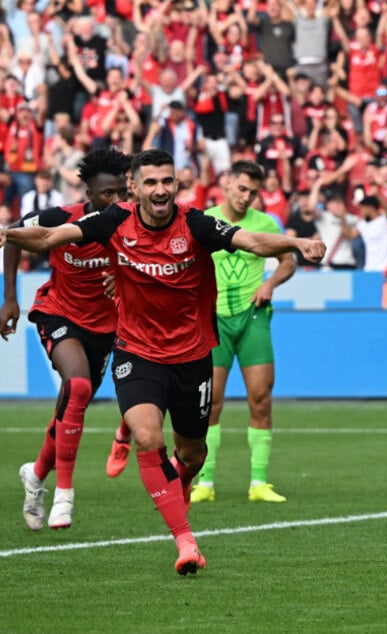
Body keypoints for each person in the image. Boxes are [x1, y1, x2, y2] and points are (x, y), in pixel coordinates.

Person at [0, 149, 327, 575]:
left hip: (191, 357)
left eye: (167, 182)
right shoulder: (113, 221)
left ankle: (182, 480)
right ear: (134, 187)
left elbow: (253, 241)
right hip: (137, 352)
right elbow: (46, 238)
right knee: (147, 437)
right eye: (150, 182)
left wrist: (298, 243)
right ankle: (185, 541)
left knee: (191, 453)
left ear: (177, 185)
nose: (160, 190)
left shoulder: (195, 224)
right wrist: (6, 232)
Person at [2, 148, 131, 531]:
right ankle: (65, 495)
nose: (118, 200)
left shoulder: (131, 224)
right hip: (59, 313)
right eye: (109, 193)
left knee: (71, 407)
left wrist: (123, 278)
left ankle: (36, 474)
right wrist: (10, 298)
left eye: (122, 192)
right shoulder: (61, 219)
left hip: (107, 329)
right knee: (76, 385)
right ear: (89, 193)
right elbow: (13, 238)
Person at [169, 161, 296, 504]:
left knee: (260, 399)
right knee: (209, 405)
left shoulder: (265, 224)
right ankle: (204, 484)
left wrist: (270, 282)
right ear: (226, 184)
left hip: (253, 318)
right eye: (241, 189)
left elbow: (289, 260)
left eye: (253, 192)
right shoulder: (203, 220)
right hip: (213, 321)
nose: (246, 197)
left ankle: (259, 483)